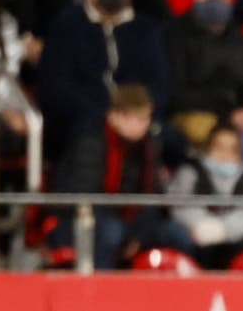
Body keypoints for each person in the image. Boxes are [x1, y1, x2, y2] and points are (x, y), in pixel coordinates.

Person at [46, 84, 189, 269]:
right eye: (131, 118)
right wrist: (127, 233)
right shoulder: (91, 144)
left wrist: (138, 235)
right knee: (111, 232)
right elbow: (85, 196)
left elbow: (154, 198)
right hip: (81, 220)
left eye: (144, 118)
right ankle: (100, 289)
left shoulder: (150, 147)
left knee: (178, 234)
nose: (139, 125)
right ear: (113, 116)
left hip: (133, 224)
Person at [36, 0, 169, 156]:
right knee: (90, 143)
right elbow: (56, 88)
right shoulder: (66, 26)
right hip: (82, 121)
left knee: (170, 142)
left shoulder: (146, 30)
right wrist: (107, 117)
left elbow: (159, 84)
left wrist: (139, 117)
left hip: (140, 120)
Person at [165, 0, 243, 150]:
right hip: (193, 114)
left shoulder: (242, 41)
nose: (214, 1)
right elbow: (175, 92)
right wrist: (228, 113)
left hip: (235, 116)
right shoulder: (174, 34)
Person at [167, 123, 243, 267]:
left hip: (232, 236)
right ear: (207, 147)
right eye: (219, 147)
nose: (225, 155)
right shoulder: (191, 170)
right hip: (196, 233)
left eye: (232, 150)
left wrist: (223, 229)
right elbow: (178, 204)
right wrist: (202, 225)